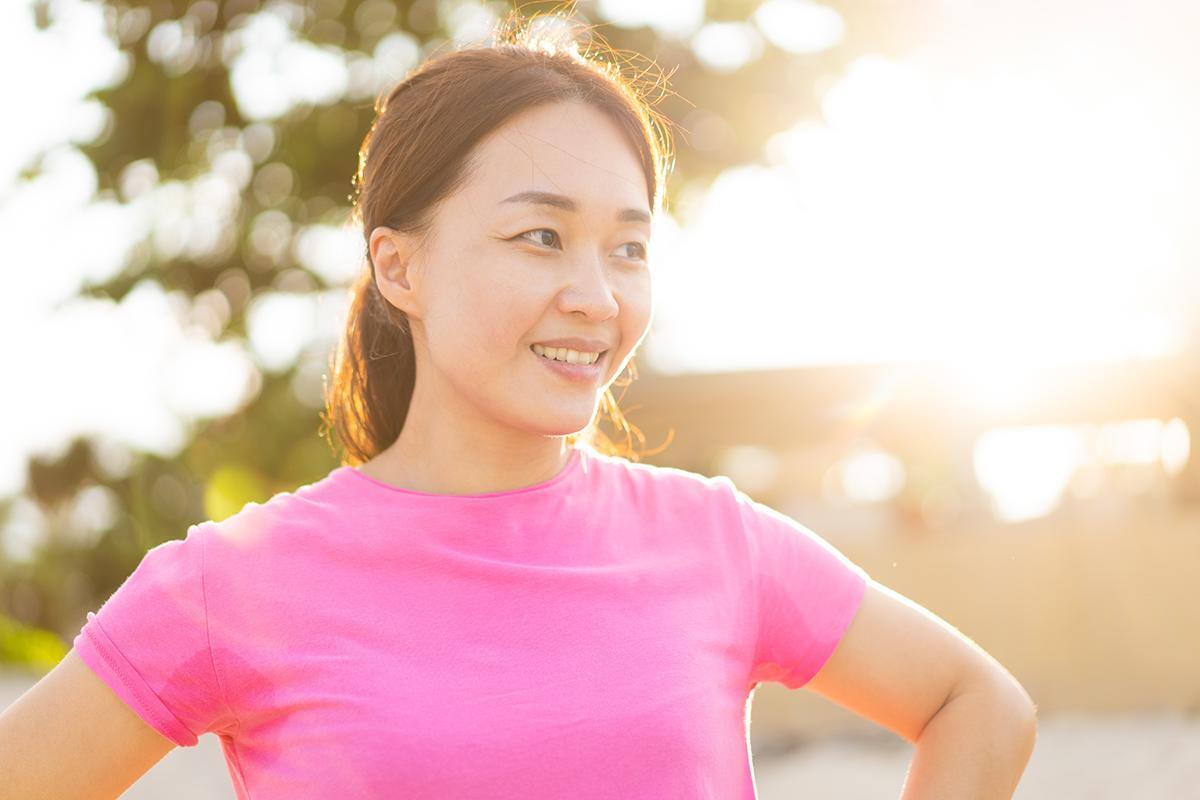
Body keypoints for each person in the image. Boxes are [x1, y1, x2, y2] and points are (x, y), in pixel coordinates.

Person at [0, 13, 1037, 800]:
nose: (597, 293)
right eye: (541, 236)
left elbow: (980, 704)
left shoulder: (718, 539)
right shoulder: (230, 583)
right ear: (398, 266)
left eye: (628, 247)